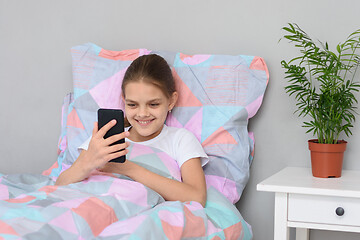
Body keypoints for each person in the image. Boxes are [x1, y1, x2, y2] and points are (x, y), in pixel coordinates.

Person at [55, 54, 208, 207]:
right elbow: (60, 184)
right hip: (89, 203)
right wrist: (87, 162)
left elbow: (196, 197)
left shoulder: (180, 139)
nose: (142, 114)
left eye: (153, 104)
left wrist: (128, 168)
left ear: (171, 101)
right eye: (133, 105)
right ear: (124, 100)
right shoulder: (105, 138)